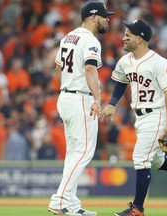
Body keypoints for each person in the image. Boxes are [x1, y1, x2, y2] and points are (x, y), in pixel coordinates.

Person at [99, 19, 167, 216]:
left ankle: (137, 209)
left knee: (141, 159)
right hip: (140, 117)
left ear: (140, 39)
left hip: (156, 114)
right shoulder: (125, 61)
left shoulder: (159, 62)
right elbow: (120, 83)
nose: (124, 37)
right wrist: (111, 103)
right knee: (157, 161)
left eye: (129, 34)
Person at [48, 2, 114, 216]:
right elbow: (89, 68)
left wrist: (65, 92)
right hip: (80, 99)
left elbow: (58, 68)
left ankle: (71, 203)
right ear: (93, 17)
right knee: (84, 151)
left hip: (67, 96)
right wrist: (97, 97)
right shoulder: (90, 40)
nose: (108, 19)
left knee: (74, 153)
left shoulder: (67, 37)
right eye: (104, 16)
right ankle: (59, 200)